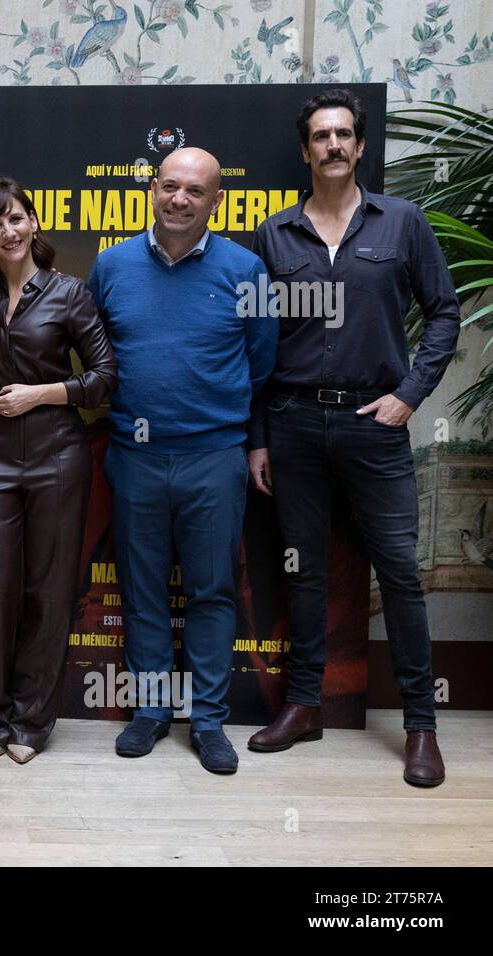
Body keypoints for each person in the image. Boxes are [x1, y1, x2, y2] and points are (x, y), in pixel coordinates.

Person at [246, 89, 460, 787]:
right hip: (296, 425)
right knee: (303, 572)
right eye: (320, 136)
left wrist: (408, 396)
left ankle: (421, 729)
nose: (333, 145)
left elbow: (446, 313)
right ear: (305, 151)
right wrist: (259, 437)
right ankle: (303, 705)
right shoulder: (275, 235)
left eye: (344, 134)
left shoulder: (403, 223)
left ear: (361, 147)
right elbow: (256, 344)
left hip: (375, 425)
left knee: (398, 573)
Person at [87, 146, 277, 774]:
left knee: (212, 593)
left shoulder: (246, 270)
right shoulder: (110, 266)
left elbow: (262, 365)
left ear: (216, 201)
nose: (180, 199)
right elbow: (93, 357)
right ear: (152, 190)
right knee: (141, 592)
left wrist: (246, 439)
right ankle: (148, 713)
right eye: (170, 186)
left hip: (213, 458)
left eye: (195, 191)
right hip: (134, 458)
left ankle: (210, 721)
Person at [0, 177, 117, 764]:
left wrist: (41, 394)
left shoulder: (68, 293)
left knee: (48, 591)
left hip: (56, 458)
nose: (9, 231)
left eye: (18, 218)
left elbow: (105, 378)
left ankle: (32, 718)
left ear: (33, 225)